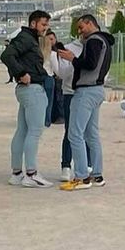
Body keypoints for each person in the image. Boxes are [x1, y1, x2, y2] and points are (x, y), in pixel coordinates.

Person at [58, 13, 112, 191]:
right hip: (97, 89)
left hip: (86, 91)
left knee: (75, 134)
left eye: (81, 27)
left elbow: (90, 64)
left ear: (90, 23)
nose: (80, 32)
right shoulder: (105, 41)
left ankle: (82, 176)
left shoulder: (94, 40)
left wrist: (72, 59)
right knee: (91, 134)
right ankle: (97, 174)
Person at [1, 10, 53, 187]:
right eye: (43, 24)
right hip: (32, 88)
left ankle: (17, 172)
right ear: (33, 24)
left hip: (26, 89)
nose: (46, 28)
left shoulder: (27, 38)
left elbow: (9, 55)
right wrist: (21, 73)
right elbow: (7, 55)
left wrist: (20, 73)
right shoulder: (26, 39)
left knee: (22, 131)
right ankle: (31, 173)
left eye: (47, 25)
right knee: (34, 131)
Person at [56, 25, 82, 184]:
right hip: (70, 92)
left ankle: (86, 165)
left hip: (87, 91)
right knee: (70, 130)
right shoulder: (69, 48)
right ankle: (66, 165)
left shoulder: (96, 46)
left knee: (87, 131)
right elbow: (62, 73)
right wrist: (74, 61)